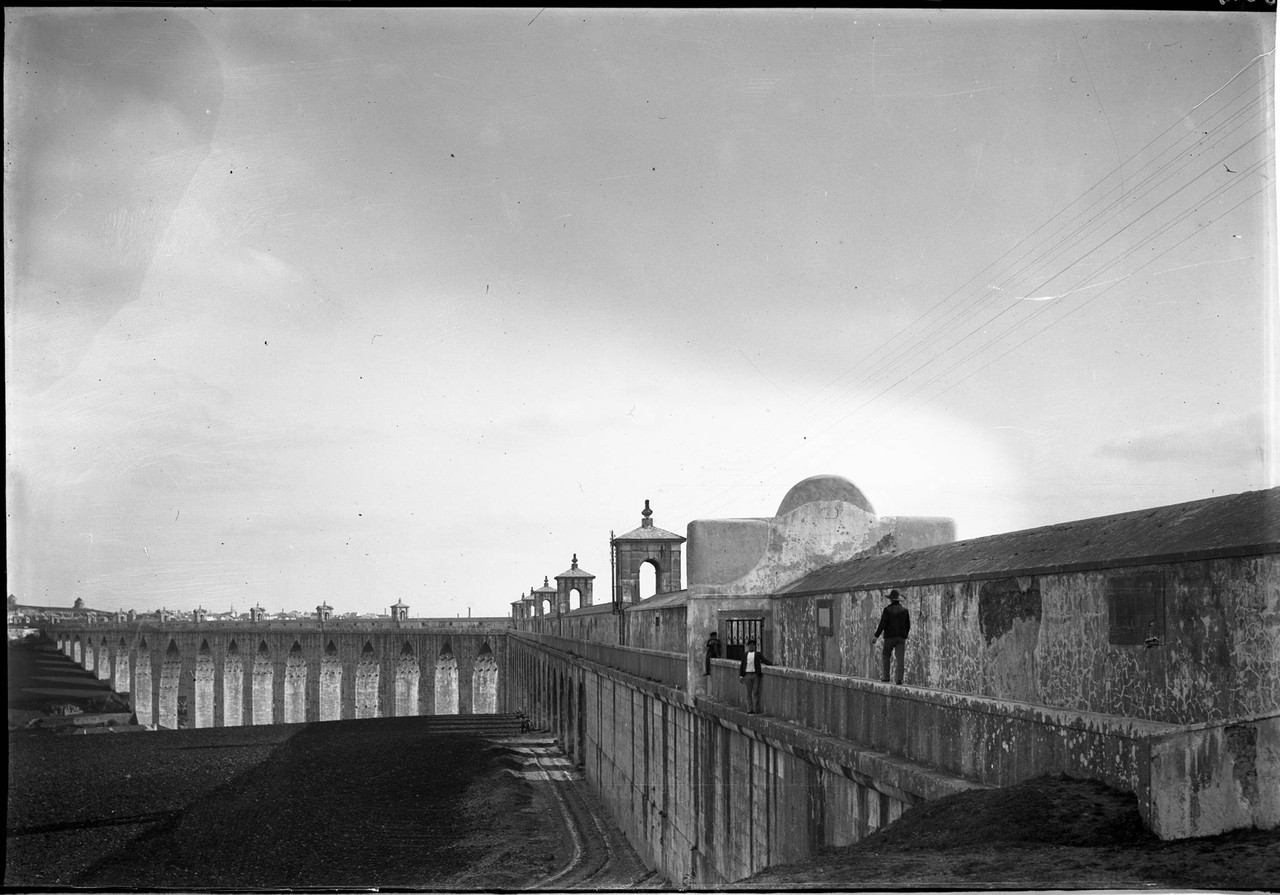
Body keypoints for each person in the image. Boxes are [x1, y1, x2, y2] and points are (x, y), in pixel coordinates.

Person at [872, 589, 911, 684]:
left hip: (889, 637)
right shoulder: (905, 611)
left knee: (886, 656)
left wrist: (876, 636)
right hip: (901, 638)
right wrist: (904, 635)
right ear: (898, 600)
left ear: (891, 600)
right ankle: (899, 679)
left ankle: (886, 677)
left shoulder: (887, 610)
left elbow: (882, 624)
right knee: (900, 659)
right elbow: (908, 625)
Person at [738, 638, 772, 713]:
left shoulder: (757, 654)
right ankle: (749, 709)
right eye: (750, 645)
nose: (752, 647)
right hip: (747, 674)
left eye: (753, 645)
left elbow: (764, 660)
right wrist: (741, 676)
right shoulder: (745, 654)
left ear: (755, 646)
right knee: (748, 693)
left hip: (755, 674)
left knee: (755, 692)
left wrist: (771, 664)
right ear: (748, 646)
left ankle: (755, 709)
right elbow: (742, 665)